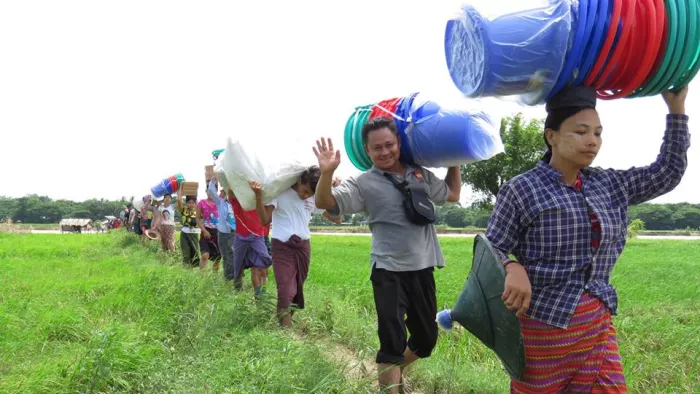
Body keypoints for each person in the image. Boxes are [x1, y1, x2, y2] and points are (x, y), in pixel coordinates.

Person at [484, 86, 690, 393]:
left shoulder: (610, 184)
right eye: (580, 132)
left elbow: (668, 172)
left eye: (597, 132)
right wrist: (513, 267)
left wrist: (677, 109)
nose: (592, 141)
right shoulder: (522, 189)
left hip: (596, 324)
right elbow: (493, 246)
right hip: (543, 328)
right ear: (551, 136)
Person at [313, 117, 462, 393]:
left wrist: (455, 158)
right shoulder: (363, 183)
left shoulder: (420, 175)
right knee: (392, 343)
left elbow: (452, 194)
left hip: (422, 267)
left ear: (399, 143)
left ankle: (392, 375)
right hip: (387, 270)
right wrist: (326, 173)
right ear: (367, 152)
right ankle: (390, 381)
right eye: (377, 148)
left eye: (389, 145)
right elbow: (325, 202)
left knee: (426, 339)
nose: (384, 152)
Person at [250, 166, 341, 327]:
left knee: (296, 290)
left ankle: (284, 322)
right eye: (305, 190)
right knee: (286, 290)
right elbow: (264, 220)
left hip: (303, 248)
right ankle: (286, 334)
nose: (305, 196)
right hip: (282, 246)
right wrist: (258, 196)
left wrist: (333, 192)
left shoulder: (313, 198)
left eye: (310, 194)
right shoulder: (280, 192)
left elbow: (337, 219)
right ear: (300, 180)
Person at [227, 186, 272, 296]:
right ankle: (237, 293)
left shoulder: (261, 200)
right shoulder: (238, 200)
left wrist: (257, 193)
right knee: (238, 270)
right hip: (241, 238)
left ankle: (260, 299)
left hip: (258, 238)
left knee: (261, 268)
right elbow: (231, 190)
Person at [208, 177, 237, 280]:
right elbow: (211, 191)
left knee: (233, 255)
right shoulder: (221, 203)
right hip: (223, 233)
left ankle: (236, 277)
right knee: (226, 255)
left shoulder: (236, 204)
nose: (221, 193)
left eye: (223, 192)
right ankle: (228, 278)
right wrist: (213, 181)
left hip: (234, 233)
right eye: (222, 192)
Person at [197, 185, 221, 271]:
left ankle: (214, 279)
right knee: (204, 256)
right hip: (206, 231)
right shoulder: (201, 203)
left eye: (213, 190)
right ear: (206, 191)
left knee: (217, 259)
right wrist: (204, 230)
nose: (211, 192)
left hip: (218, 232)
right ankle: (202, 277)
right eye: (209, 190)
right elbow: (198, 219)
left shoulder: (220, 203)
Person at [176, 184, 201, 267]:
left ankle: (192, 271)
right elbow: (179, 200)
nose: (191, 204)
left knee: (195, 253)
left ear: (195, 203)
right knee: (186, 253)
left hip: (194, 234)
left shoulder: (198, 211)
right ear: (186, 203)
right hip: (184, 234)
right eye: (189, 202)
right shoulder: (184, 210)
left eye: (192, 203)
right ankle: (186, 269)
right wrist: (180, 189)